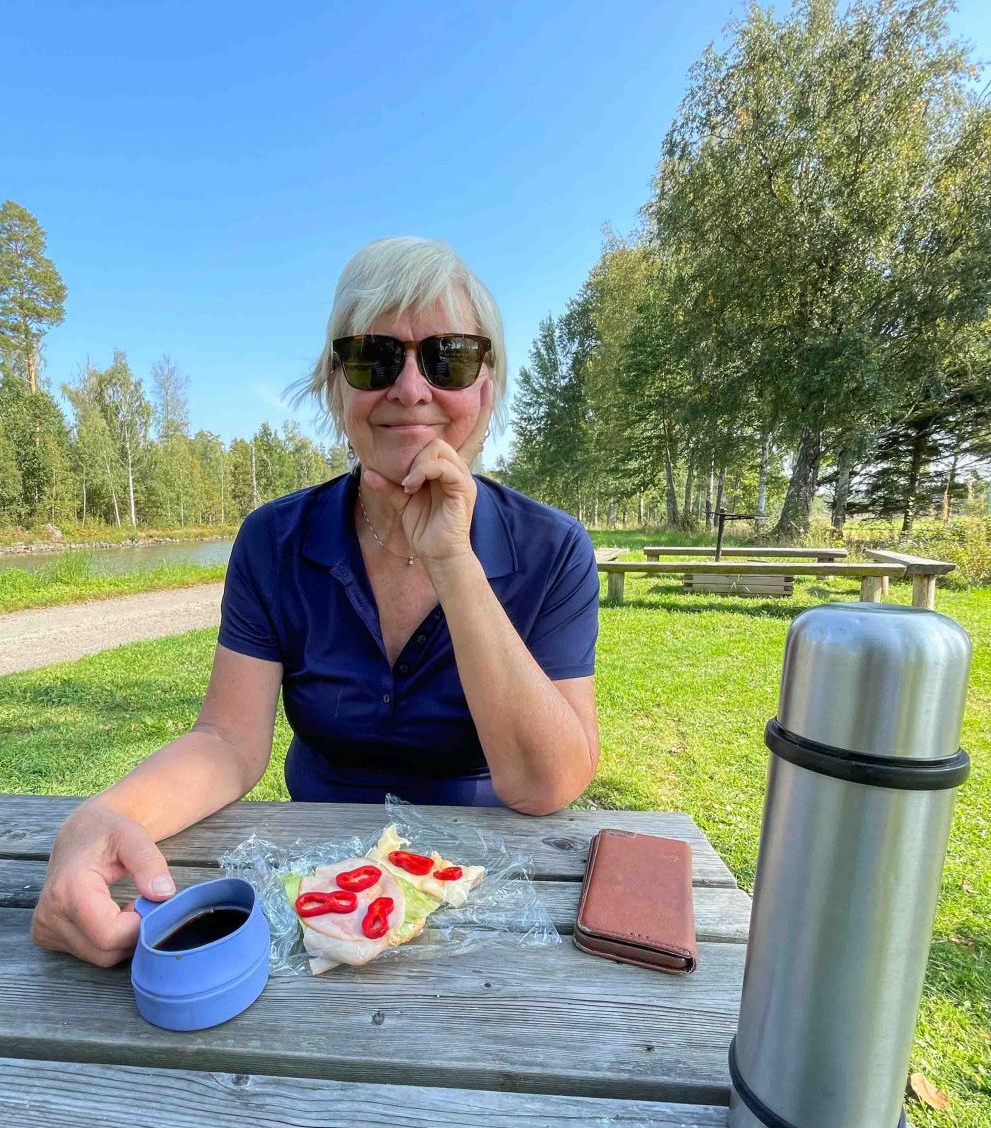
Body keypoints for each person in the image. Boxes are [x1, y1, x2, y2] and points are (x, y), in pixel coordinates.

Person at [32, 237, 601, 966]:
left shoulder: (554, 549)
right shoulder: (273, 541)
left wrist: (453, 561)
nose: (411, 389)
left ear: (486, 389)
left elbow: (548, 784)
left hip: (495, 892)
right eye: (374, 359)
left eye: (449, 358)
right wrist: (102, 818)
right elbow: (228, 743)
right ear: (336, 388)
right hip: (316, 885)